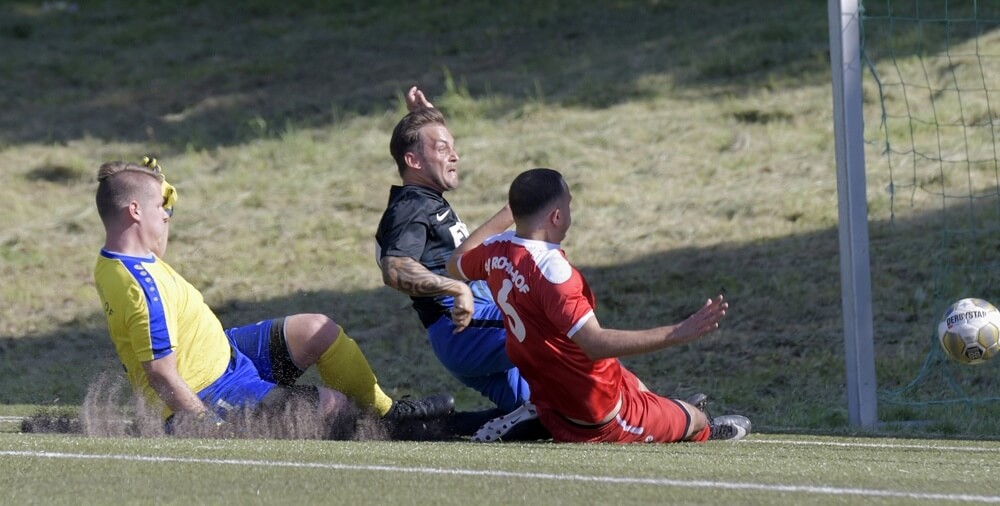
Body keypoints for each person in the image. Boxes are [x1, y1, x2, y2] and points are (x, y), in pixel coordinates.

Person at [93, 158, 454, 438]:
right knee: (334, 406)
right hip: (206, 393)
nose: (167, 215)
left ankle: (388, 414)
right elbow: (161, 373)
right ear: (135, 212)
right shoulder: (141, 286)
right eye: (161, 207)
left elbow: (152, 241)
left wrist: (157, 189)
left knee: (318, 330)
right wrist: (208, 426)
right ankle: (380, 433)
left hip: (226, 354)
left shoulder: (125, 258)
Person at [446, 168, 751, 443]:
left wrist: (512, 210)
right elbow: (595, 344)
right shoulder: (553, 271)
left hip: (552, 388)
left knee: (638, 386)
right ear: (556, 216)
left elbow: (455, 262)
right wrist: (678, 332)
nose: (569, 212)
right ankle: (703, 426)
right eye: (568, 205)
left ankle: (662, 409)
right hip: (595, 414)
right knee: (693, 420)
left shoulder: (496, 252)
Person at [375, 87, 542, 439]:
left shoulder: (426, 198)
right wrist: (455, 288)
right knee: (562, 325)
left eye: (453, 147)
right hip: (466, 329)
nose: (455, 156)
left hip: (468, 335)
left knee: (546, 414)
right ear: (413, 161)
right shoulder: (411, 205)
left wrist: (429, 118)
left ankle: (432, 425)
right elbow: (394, 267)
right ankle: (656, 410)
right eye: (442, 148)